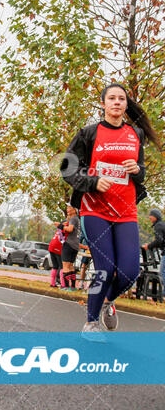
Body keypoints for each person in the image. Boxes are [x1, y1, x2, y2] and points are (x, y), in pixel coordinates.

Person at [61, 83, 160, 338]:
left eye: (122, 99)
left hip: (126, 211)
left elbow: (141, 172)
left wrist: (138, 171)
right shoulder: (89, 133)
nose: (117, 102)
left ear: (126, 105)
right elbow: (67, 166)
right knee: (104, 267)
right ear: (103, 103)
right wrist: (93, 182)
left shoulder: (135, 134)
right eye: (112, 98)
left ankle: (107, 301)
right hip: (95, 210)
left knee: (129, 271)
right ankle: (91, 324)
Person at [58, 205, 80, 291]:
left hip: (69, 244)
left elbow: (70, 229)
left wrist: (60, 226)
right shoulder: (78, 220)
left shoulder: (73, 219)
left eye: (69, 208)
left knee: (65, 266)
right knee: (71, 266)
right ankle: (73, 286)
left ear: (74, 210)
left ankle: (66, 287)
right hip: (75, 245)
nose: (67, 210)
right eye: (67, 208)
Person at [143, 208, 165, 289]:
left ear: (155, 217)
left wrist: (148, 246)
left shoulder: (158, 225)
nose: (149, 217)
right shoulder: (162, 224)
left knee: (163, 272)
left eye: (151, 215)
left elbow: (159, 240)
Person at [48, 217, 66, 288]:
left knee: (55, 266)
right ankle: (63, 284)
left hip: (51, 246)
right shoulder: (64, 229)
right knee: (62, 267)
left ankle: (52, 283)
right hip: (58, 246)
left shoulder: (59, 228)